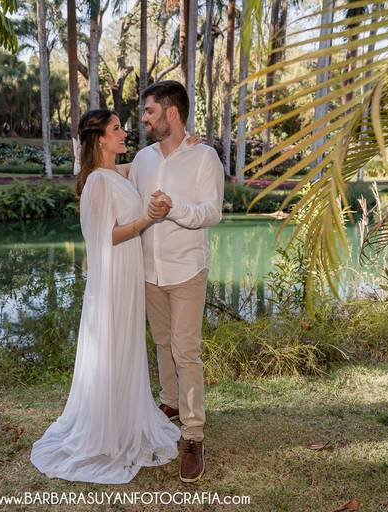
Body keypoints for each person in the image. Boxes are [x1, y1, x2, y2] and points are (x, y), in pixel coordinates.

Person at [30, 109, 181, 484]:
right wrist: (148, 219)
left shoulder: (116, 173)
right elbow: (106, 236)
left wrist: (181, 141)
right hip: (113, 276)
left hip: (128, 272)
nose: (124, 132)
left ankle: (126, 419)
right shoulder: (97, 182)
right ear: (99, 139)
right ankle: (107, 430)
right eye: (116, 129)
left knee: (127, 344)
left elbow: (147, 162)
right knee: (113, 345)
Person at [129, 80, 225, 483]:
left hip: (186, 270)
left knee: (186, 352)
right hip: (149, 271)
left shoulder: (205, 158)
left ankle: (193, 435)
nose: (144, 118)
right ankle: (170, 402)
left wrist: (172, 209)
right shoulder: (142, 159)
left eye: (149, 111)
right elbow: (123, 194)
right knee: (162, 342)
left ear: (171, 112)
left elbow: (211, 212)